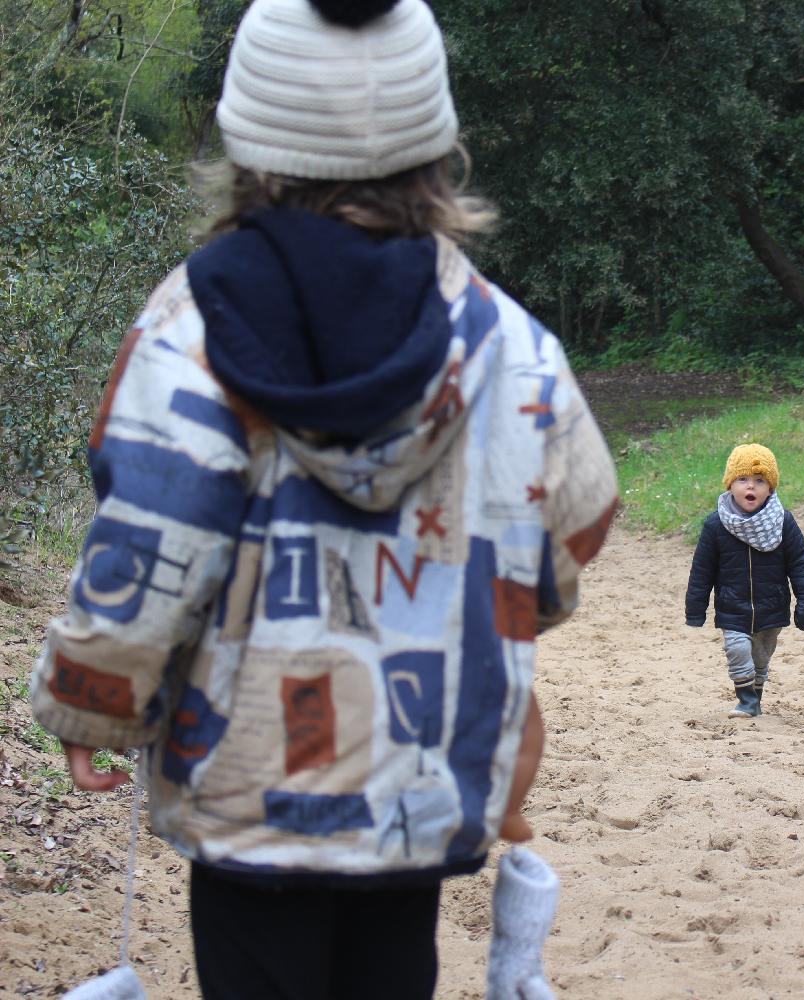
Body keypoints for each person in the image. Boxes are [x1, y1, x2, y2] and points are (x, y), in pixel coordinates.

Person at [27, 0, 618, 997]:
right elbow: (574, 519)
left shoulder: (188, 330)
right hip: (413, 792)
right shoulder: (505, 341)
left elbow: (148, 542)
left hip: (248, 790)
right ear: (437, 150)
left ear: (248, 144)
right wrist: (508, 609)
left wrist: (97, 700)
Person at [684, 443, 804, 717]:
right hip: (733, 607)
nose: (751, 487)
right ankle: (745, 700)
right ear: (730, 484)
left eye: (759, 481)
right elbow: (702, 571)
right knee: (737, 649)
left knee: (759, 658)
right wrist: (695, 609)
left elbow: (800, 564)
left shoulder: (783, 522)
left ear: (770, 487)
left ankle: (754, 699)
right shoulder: (716, 525)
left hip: (772, 607)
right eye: (743, 479)